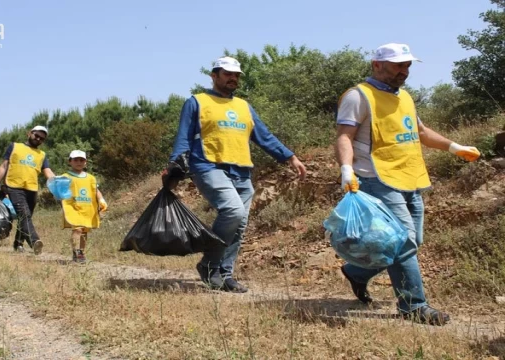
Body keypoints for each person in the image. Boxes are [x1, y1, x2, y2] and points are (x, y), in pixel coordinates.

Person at [335, 43, 481, 326]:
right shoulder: (358, 96)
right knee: (403, 243)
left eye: (408, 65)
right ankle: (413, 305)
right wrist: (346, 170)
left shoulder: (404, 97)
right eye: (399, 65)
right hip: (377, 178)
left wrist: (455, 147)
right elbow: (344, 136)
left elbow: (422, 132)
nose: (405, 70)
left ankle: (357, 272)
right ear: (377, 65)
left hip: (409, 178)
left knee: (412, 241)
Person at [166, 56, 307, 293]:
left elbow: (264, 136)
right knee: (233, 211)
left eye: (236, 75)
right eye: (227, 73)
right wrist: (175, 165)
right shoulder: (197, 102)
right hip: (209, 166)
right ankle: (210, 264)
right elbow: (183, 136)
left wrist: (289, 157)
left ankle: (225, 273)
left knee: (239, 224)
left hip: (241, 170)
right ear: (214, 75)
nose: (233, 78)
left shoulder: (244, 106)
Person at [0, 125, 56, 254]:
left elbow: (47, 171)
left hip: (32, 189)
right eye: (36, 135)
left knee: (25, 217)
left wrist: (57, 182)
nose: (38, 139)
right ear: (29, 133)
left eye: (42, 138)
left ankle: (18, 244)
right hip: (14, 187)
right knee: (24, 215)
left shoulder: (42, 155)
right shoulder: (15, 146)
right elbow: (3, 166)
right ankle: (34, 241)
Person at [60, 150, 108, 263]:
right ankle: (76, 252)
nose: (79, 162)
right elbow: (58, 190)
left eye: (82, 160)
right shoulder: (65, 177)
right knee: (77, 229)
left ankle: (81, 251)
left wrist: (101, 200)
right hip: (73, 207)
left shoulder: (91, 178)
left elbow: (95, 190)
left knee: (84, 231)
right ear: (70, 161)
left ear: (85, 162)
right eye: (75, 160)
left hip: (87, 208)